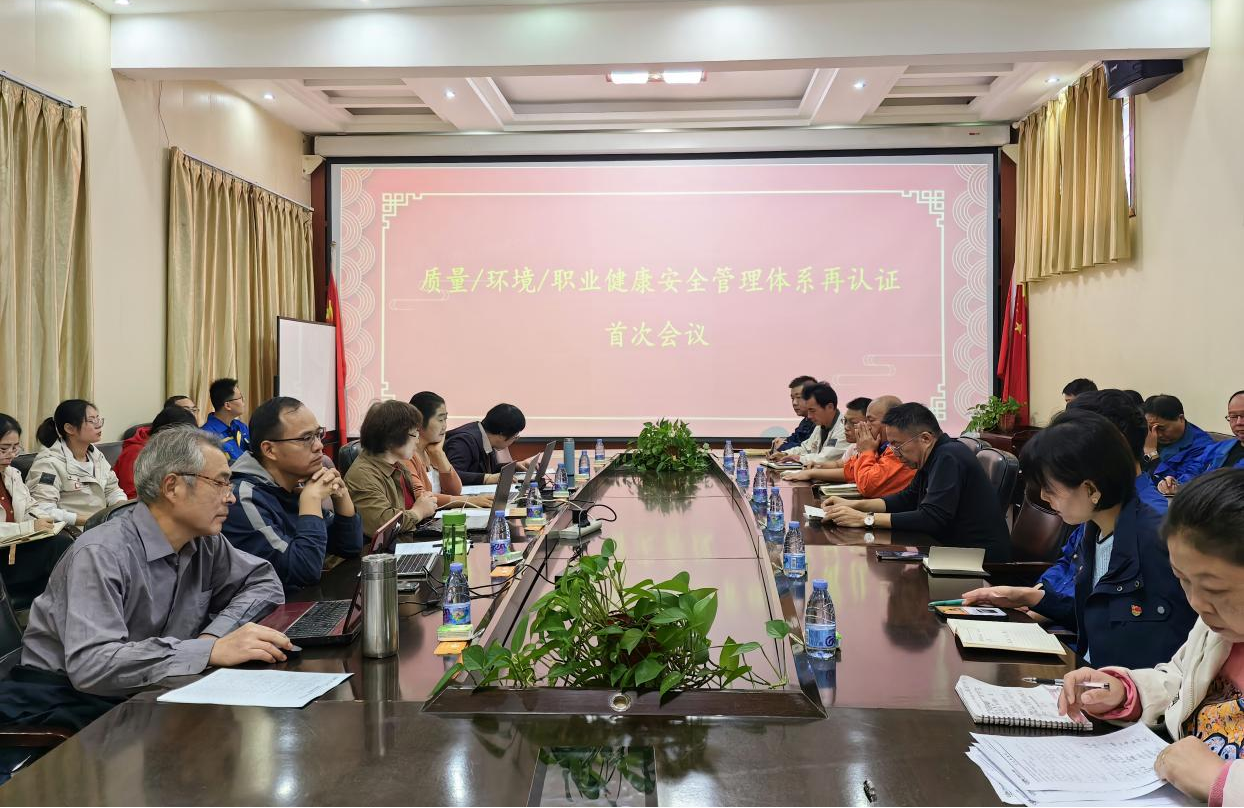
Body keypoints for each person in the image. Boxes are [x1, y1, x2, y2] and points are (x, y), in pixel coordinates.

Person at [0, 427, 288, 760]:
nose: (231, 497)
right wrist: (207, 651)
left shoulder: (205, 541)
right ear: (172, 486)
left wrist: (212, 638)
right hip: (71, 702)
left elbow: (263, 582)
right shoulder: (100, 554)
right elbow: (93, 666)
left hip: (151, 688)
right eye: (220, 483)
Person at [1055, 470, 1244, 805]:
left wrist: (1221, 782)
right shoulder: (1217, 630)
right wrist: (1126, 692)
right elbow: (1181, 679)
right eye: (1183, 580)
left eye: (1215, 589)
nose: (1197, 603)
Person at [963, 410, 1195, 669]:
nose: (1044, 497)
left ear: (1091, 489)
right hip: (1092, 676)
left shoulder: (1159, 542)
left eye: (1050, 488)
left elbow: (1173, 640)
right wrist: (1030, 598)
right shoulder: (1094, 531)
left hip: (1129, 686)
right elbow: (1098, 617)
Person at [823, 402, 1011, 561]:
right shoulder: (933, 455)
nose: (894, 452)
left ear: (925, 439)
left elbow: (931, 518)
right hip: (948, 550)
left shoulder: (949, 456)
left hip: (977, 560)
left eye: (897, 445)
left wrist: (865, 519)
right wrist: (853, 505)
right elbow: (907, 499)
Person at [221, 397, 363, 590]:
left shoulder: (291, 486)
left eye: (318, 434)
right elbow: (304, 571)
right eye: (306, 438)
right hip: (273, 608)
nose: (319, 446)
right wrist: (311, 500)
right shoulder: (242, 498)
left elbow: (350, 546)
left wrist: (341, 496)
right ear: (269, 450)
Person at [0, 415, 72, 611]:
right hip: (4, 557)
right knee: (60, 549)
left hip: (14, 551)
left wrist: (46, 520)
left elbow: (30, 507)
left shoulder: (11, 474)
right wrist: (29, 527)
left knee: (63, 543)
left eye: (15, 448)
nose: (10, 455)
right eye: (3, 449)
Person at [343, 400, 439, 537]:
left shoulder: (398, 465)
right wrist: (418, 512)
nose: (417, 441)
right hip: (383, 549)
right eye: (414, 434)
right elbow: (381, 525)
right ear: (391, 438)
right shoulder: (362, 475)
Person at [26, 400, 126, 528]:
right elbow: (43, 510)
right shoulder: (48, 463)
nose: (98, 425)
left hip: (102, 527)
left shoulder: (96, 456)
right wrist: (89, 520)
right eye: (92, 421)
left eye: (98, 419)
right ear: (69, 428)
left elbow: (113, 490)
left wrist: (121, 508)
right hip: (72, 532)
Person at [795, 396, 916, 499]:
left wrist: (867, 451)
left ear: (891, 422)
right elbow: (851, 471)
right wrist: (812, 473)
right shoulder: (878, 446)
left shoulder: (898, 450)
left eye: (871, 420)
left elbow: (867, 487)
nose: (866, 426)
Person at [407, 392, 492, 509]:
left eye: (445, 419)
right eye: (440, 420)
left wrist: (439, 454)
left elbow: (454, 491)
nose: (445, 426)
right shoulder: (406, 455)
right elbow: (422, 497)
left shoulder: (431, 451)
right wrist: (468, 500)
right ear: (419, 422)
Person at [1155, 391, 1244, 496]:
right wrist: (1176, 485)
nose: (1239, 422)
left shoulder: (1201, 442)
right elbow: (1193, 472)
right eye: (1233, 417)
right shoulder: (1218, 449)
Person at [114, 405, 199, 500]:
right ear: (164, 434)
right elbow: (133, 497)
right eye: (184, 438)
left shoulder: (170, 449)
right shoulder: (134, 453)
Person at [443, 403, 526, 486]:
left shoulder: (485, 436)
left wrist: (512, 467)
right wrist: (487, 478)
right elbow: (452, 475)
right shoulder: (463, 442)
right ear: (501, 435)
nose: (514, 440)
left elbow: (485, 470)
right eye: (515, 437)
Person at [774, 383, 847, 466]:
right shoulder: (820, 425)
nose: (809, 416)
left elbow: (825, 458)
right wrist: (785, 454)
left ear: (830, 407)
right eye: (808, 410)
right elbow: (806, 448)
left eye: (812, 410)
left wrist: (797, 458)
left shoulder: (844, 428)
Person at [1143, 394, 1216, 469]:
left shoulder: (1203, 448)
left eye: (1161, 429)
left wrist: (1151, 454)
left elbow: (1183, 476)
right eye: (1151, 429)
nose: (1158, 435)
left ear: (1181, 418)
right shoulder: (1148, 436)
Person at [202, 378, 250, 463]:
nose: (244, 400)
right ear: (227, 405)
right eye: (240, 398)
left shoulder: (240, 426)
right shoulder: (206, 435)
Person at [771, 375, 818, 453]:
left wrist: (782, 446)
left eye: (798, 397)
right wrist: (782, 441)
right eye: (792, 398)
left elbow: (806, 449)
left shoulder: (819, 422)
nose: (794, 403)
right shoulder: (806, 421)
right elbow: (795, 438)